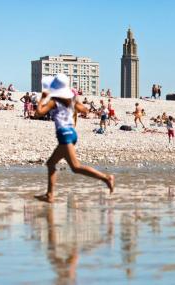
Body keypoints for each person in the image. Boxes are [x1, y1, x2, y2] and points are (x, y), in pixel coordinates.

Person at [34, 74, 115, 203]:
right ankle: (49, 195)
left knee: (76, 167)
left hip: (65, 134)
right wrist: (75, 102)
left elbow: (38, 113)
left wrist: (42, 98)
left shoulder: (54, 101)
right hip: (71, 133)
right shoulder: (71, 100)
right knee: (51, 163)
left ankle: (106, 178)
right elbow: (85, 111)